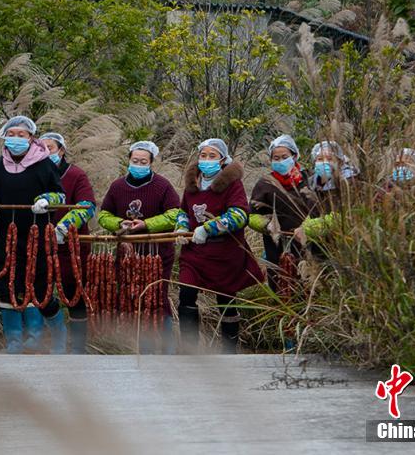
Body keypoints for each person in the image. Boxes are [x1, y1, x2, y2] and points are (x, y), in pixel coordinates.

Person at [0, 116, 67, 354]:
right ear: (4, 137)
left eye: (22, 135)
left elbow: (60, 196)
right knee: (6, 285)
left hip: (37, 235)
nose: (16, 139)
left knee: (40, 289)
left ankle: (58, 337)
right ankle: (14, 343)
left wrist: (46, 200)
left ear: (31, 138)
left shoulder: (45, 164)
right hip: (6, 236)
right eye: (12, 134)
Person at [174, 138, 264, 353]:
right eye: (203, 155)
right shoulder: (192, 184)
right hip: (195, 252)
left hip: (225, 253)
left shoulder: (232, 185)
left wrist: (208, 228)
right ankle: (190, 350)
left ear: (222, 160)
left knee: (226, 300)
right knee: (186, 292)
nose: (206, 160)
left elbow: (239, 215)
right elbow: (183, 211)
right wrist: (181, 227)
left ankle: (229, 352)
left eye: (212, 156)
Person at [98, 140, 181, 353]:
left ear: (151, 163)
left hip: (158, 254)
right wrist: (119, 224)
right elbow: (104, 215)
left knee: (157, 298)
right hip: (127, 253)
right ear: (128, 160)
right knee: (131, 297)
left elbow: (175, 214)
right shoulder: (117, 186)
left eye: (143, 161)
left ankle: (167, 349)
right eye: (135, 160)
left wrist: (147, 224)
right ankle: (142, 349)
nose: (139, 164)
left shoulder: (162, 186)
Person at [38, 131, 97, 354]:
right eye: (41, 148)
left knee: (73, 293)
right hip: (40, 244)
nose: (46, 153)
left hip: (72, 245)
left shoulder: (76, 175)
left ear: (61, 151)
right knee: (39, 291)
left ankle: (79, 347)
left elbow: (87, 205)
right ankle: (57, 337)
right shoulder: (34, 173)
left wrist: (64, 226)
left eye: (50, 148)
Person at [247, 135, 318, 292]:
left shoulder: (309, 179)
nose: (280, 161)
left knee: (307, 283)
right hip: (277, 245)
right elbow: (251, 215)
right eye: (276, 158)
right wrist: (267, 225)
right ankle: (280, 313)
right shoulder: (265, 183)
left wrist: (310, 228)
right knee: (279, 283)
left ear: (294, 156)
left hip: (308, 242)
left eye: (284, 157)